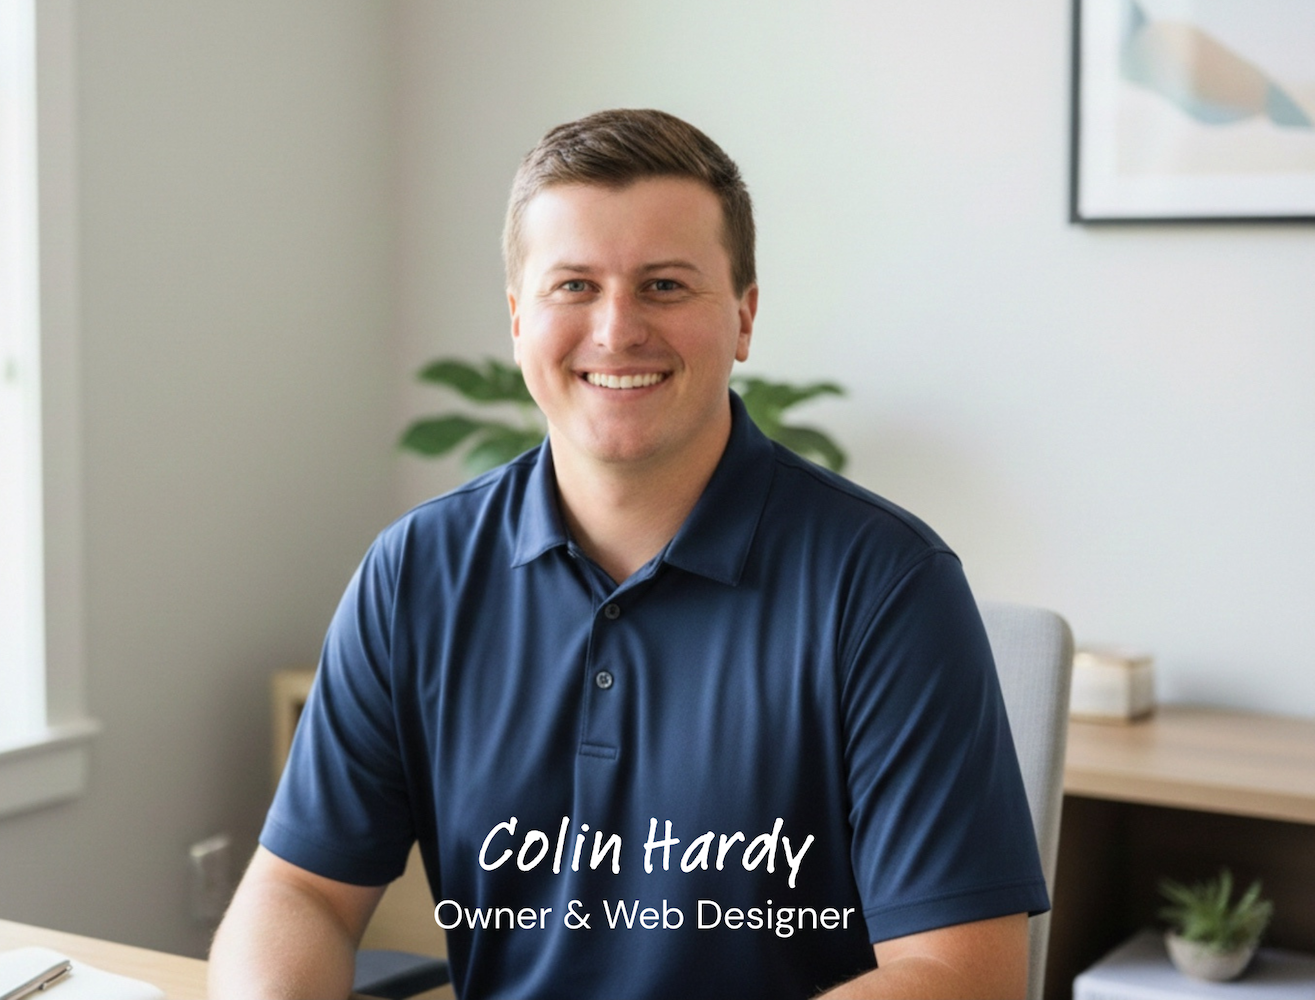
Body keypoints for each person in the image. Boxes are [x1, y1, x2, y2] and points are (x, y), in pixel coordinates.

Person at [209, 108, 1048, 1000]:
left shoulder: (885, 585)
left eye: (665, 286)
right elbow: (299, 891)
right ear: (518, 321)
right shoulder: (417, 571)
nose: (616, 330)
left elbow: (962, 974)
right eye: (573, 286)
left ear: (744, 319)